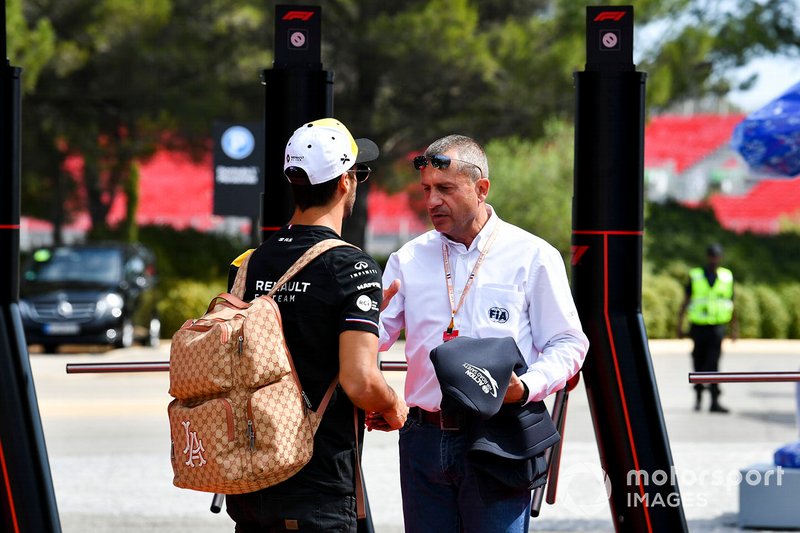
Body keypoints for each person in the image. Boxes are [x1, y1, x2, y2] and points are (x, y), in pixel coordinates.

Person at [374, 134, 589, 533]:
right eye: (426, 190)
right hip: (422, 437)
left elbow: (569, 343)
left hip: (498, 436)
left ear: (481, 188)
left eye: (445, 188)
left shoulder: (533, 255)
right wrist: (365, 339)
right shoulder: (407, 259)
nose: (432, 201)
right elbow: (375, 337)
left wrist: (524, 387)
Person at [224, 118, 408, 532]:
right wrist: (394, 406)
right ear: (345, 182)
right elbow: (359, 381)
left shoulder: (249, 263)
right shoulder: (351, 267)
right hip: (316, 482)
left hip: (250, 481)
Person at [677, 243, 738, 414]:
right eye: (711, 256)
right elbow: (686, 301)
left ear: (720, 258)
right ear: (708, 257)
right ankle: (698, 398)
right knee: (698, 361)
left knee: (714, 363)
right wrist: (679, 325)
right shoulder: (696, 276)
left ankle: (714, 400)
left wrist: (734, 330)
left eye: (716, 256)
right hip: (698, 327)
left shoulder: (727, 277)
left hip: (717, 327)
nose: (714, 259)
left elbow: (732, 303)